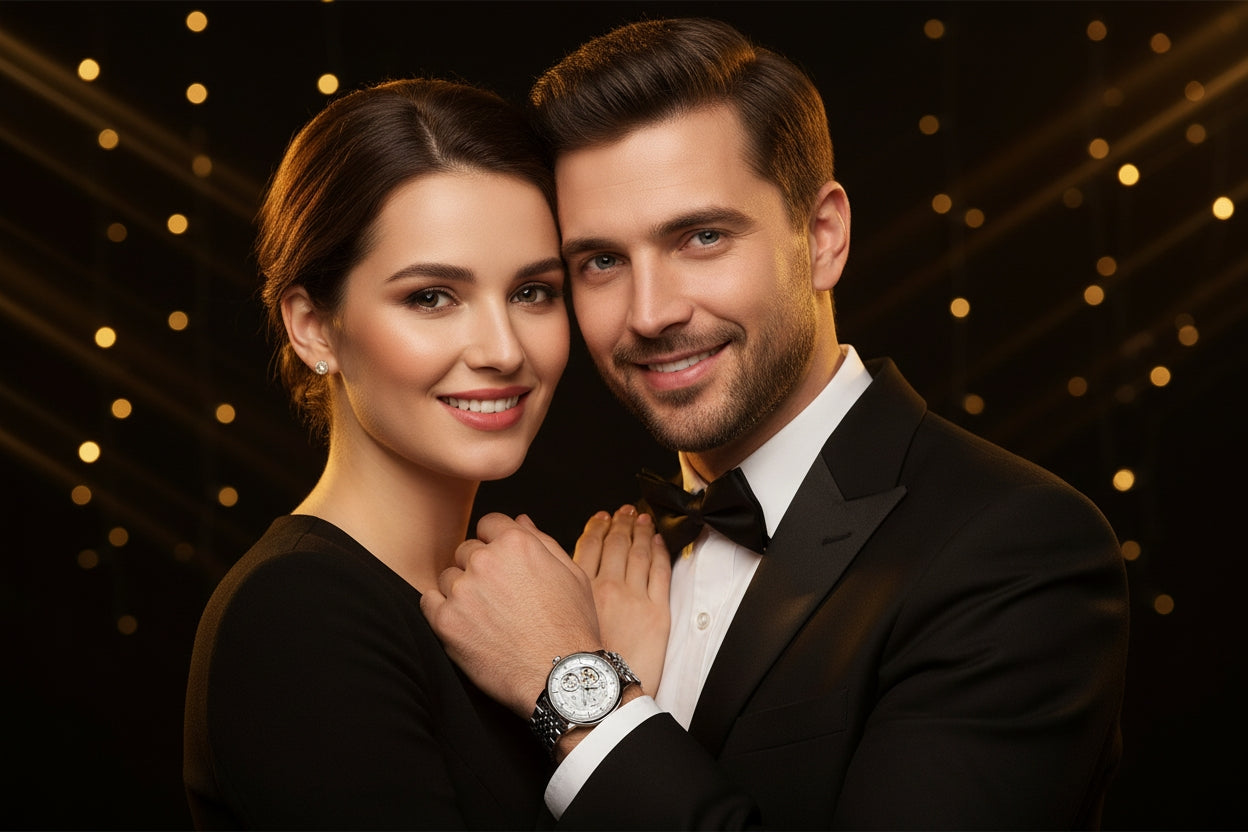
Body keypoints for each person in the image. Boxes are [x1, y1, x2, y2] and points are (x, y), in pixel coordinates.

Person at [420, 18, 1131, 829]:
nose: (651, 313)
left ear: (822, 237)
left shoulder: (1015, 544)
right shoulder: (604, 566)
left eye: (703, 236)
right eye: (601, 262)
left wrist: (577, 689)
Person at [182, 78, 665, 830]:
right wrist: (596, 689)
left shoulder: (504, 607)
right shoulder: (298, 614)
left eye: (534, 292)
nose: (503, 350)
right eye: (432, 297)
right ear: (313, 325)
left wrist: (578, 664)